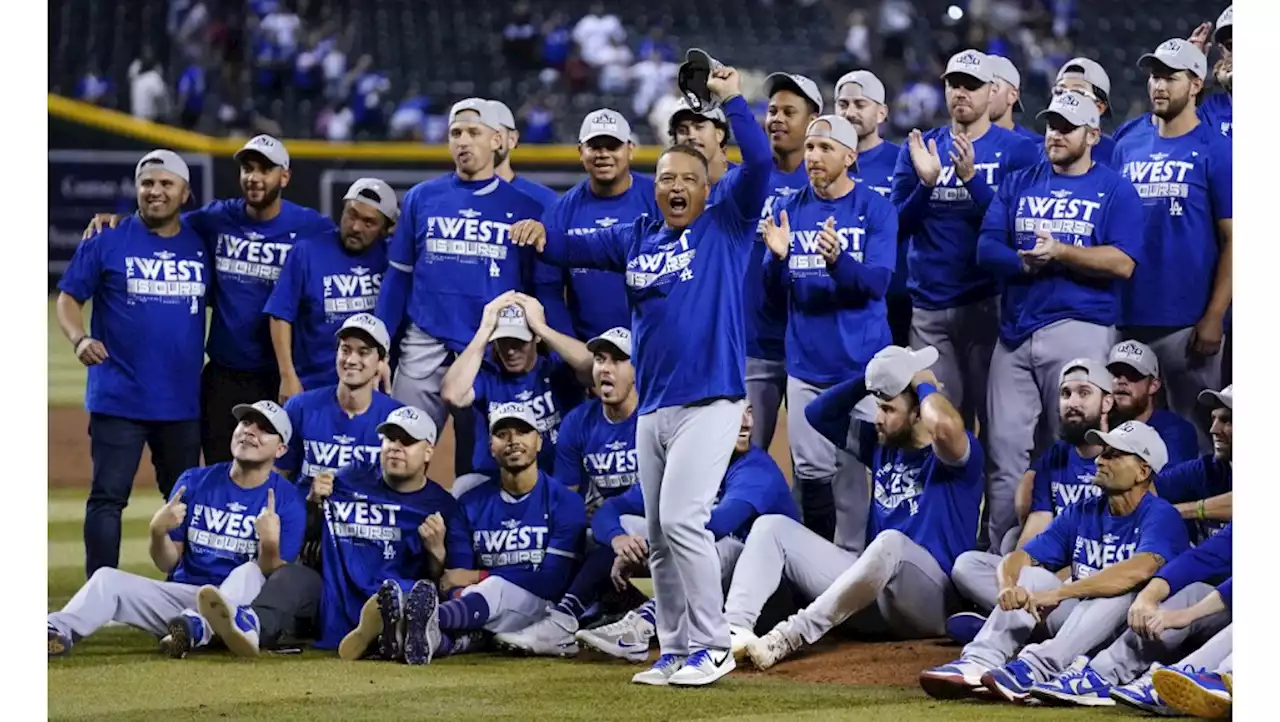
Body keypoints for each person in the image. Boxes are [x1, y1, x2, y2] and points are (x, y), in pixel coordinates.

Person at [508, 62, 771, 687]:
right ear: (655, 188)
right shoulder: (640, 235)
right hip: (653, 407)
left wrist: (732, 101)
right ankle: (676, 647)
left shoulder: (726, 228)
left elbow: (757, 163)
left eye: (690, 179)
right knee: (657, 534)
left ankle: (712, 643)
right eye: (667, 179)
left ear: (709, 189)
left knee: (684, 520)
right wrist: (543, 234)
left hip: (711, 400)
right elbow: (575, 246)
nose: (676, 187)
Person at [725, 345, 984, 671]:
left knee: (891, 542)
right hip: (870, 598)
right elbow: (817, 414)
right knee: (771, 527)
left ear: (918, 413)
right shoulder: (881, 447)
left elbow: (946, 427)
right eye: (878, 407)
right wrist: (874, 377)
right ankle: (732, 631)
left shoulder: (957, 457)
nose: (878, 418)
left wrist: (921, 382)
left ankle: (792, 635)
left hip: (930, 604)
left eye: (888, 409)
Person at [494, 405, 798, 659]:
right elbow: (609, 511)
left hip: (768, 601)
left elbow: (713, 527)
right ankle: (563, 620)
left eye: (749, 412)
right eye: (735, 412)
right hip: (712, 595)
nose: (745, 422)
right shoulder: (695, 465)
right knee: (617, 531)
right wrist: (619, 541)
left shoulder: (756, 469)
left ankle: (641, 623)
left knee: (717, 546)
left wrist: (649, 546)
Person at [976, 90, 1144, 551]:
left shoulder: (1114, 188)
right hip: (1014, 333)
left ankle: (1070, 561)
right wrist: (1024, 262)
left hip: (1080, 326)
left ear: (1093, 134)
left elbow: (1124, 262)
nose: (1054, 133)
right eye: (1051, 124)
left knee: (1076, 451)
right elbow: (986, 248)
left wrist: (1062, 252)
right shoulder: (1019, 181)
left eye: (1067, 127)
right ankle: (1001, 562)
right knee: (1004, 453)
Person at [920, 420, 1190, 704]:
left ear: (1142, 471)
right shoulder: (1083, 510)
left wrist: (1060, 592)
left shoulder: (1161, 515)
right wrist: (1007, 586)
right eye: (1103, 452)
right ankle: (978, 661)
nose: (1099, 459)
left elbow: (1138, 570)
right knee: (1033, 578)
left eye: (1113, 454)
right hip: (1078, 622)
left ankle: (1038, 667)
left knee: (1123, 590)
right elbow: (1021, 557)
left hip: (1132, 633)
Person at [47, 401, 306, 658]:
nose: (250, 431)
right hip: (183, 600)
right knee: (107, 579)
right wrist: (157, 531)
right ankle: (55, 631)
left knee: (249, 572)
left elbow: (273, 577)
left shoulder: (288, 500)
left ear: (280, 449)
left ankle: (197, 628)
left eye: (264, 429)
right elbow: (168, 563)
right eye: (246, 422)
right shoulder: (194, 481)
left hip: (238, 609)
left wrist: (269, 543)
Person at [373, 99, 548, 477]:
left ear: (497, 140)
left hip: (490, 350)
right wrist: (380, 346)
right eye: (456, 133)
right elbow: (399, 276)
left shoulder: (527, 206)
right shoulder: (422, 197)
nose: (463, 141)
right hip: (424, 339)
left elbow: (539, 289)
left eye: (473, 132)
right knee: (400, 449)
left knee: (488, 463)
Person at [56, 149, 209, 578]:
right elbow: (68, 298)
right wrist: (79, 337)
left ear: (185, 192)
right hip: (118, 397)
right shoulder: (107, 240)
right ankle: (97, 597)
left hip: (181, 402)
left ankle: (185, 590)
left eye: (166, 183)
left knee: (182, 503)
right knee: (107, 498)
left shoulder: (202, 243)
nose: (155, 191)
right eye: (147, 183)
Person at [759, 114, 897, 550]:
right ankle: (814, 569)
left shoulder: (875, 208)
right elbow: (770, 293)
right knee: (812, 475)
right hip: (806, 367)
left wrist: (839, 261)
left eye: (825, 148)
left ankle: (855, 574)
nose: (814, 156)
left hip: (861, 370)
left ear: (850, 156)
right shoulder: (789, 209)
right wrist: (777, 260)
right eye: (811, 148)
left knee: (858, 476)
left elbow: (877, 284)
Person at [890, 50, 1039, 452]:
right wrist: (925, 185)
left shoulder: (1018, 150)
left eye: (970, 85)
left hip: (988, 303)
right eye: (954, 84)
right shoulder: (921, 147)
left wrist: (972, 180)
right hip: (930, 308)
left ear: (992, 91)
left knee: (995, 428)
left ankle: (993, 518)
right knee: (940, 427)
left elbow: (1018, 229)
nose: (960, 93)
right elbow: (897, 227)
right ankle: (951, 516)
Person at [1114, 39, 1232, 453]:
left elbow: (1236, 239)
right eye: (1153, 76)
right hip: (1126, 317)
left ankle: (1199, 519)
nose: (1158, 85)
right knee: (1128, 439)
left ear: (1196, 83)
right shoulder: (1127, 141)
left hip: (1187, 322)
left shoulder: (1218, 150)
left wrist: (1215, 314)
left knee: (1199, 439)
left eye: (1169, 76)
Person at [948, 358, 1113, 642]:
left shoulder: (1120, 456)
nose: (1072, 402)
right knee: (967, 565)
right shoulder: (1056, 456)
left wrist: (1046, 582)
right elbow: (1038, 523)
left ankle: (1008, 625)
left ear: (1107, 402)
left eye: (1084, 393)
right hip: (1049, 572)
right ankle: (1028, 623)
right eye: (1066, 394)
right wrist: (1017, 578)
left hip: (1092, 574)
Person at [406, 405, 588, 662]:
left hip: (546, 611)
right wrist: (467, 590)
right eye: (502, 434)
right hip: (482, 607)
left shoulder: (565, 501)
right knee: (475, 600)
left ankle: (419, 620)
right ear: (491, 446)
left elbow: (552, 580)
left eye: (523, 432)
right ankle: (428, 639)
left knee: (493, 587)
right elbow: (454, 579)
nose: (513, 441)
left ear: (539, 441)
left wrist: (480, 576)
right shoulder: (469, 504)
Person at [308, 407, 475, 664]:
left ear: (429, 451)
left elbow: (447, 583)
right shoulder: (348, 479)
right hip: (342, 606)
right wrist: (312, 502)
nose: (395, 447)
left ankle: (391, 633)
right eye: (389, 438)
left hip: (403, 604)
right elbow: (305, 532)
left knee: (408, 593)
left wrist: (437, 556)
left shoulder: (444, 508)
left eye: (407, 441)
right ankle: (387, 633)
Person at [1027, 525, 1231, 710]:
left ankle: (1201, 678)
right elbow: (1203, 557)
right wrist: (1148, 596)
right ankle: (1102, 674)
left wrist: (1188, 614)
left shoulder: (1156, 513)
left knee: (1191, 594)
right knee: (1187, 592)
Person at [743, 73, 824, 458]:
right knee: (744, 453)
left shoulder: (832, 184)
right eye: (772, 110)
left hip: (811, 344)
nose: (776, 118)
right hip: (756, 339)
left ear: (813, 120)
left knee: (813, 465)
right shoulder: (747, 178)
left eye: (789, 112)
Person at [264, 178, 396, 398]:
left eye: (369, 222)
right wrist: (287, 376)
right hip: (314, 387)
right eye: (351, 214)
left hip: (373, 390)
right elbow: (280, 314)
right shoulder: (307, 252)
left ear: (386, 229)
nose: (355, 227)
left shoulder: (394, 260)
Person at [441, 292, 590, 481]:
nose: (510, 351)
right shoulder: (488, 375)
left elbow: (592, 367)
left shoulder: (555, 368)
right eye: (503, 342)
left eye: (519, 342)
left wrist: (541, 328)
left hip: (558, 479)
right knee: (465, 485)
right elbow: (452, 394)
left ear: (535, 338)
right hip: (498, 481)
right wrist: (485, 329)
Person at [543, 111, 659, 341]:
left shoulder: (658, 199)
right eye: (595, 147)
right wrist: (573, 353)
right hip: (588, 350)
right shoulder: (560, 211)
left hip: (653, 348)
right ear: (580, 152)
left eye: (612, 146)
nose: (603, 154)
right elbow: (548, 289)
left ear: (630, 150)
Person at [275, 314, 404, 495]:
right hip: (307, 517)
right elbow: (279, 477)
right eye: (345, 350)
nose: (351, 360)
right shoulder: (299, 408)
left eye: (363, 352)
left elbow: (405, 492)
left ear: (381, 362)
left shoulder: (397, 418)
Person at [834, 70, 907, 345]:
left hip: (895, 294)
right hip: (837, 294)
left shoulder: (902, 160)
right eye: (843, 104)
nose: (850, 112)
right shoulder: (821, 162)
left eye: (860, 104)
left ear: (881, 112)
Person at [551, 327, 639, 512]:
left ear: (637, 370)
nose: (605, 368)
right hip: (601, 527)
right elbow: (565, 497)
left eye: (617, 360)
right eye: (599, 360)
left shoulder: (655, 418)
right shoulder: (577, 422)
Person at [1152, 385, 1232, 544]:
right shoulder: (1208, 469)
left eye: (1227, 420)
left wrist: (1180, 511)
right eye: (1213, 418)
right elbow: (1146, 490)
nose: (1213, 429)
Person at [1105, 339, 1199, 463]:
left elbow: (1171, 481)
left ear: (1153, 386)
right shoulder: (1099, 424)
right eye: (1116, 374)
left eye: (1133, 375)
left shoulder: (1176, 432)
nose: (1122, 381)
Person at [1053, 58, 1119, 167]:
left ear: (1099, 108)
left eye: (1078, 92)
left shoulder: (1117, 155)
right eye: (1060, 92)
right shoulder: (1036, 154)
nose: (1067, 98)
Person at [986, 55, 1040, 141]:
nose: (982, 92)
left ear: (1012, 95)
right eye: (975, 86)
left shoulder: (1035, 145)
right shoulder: (959, 142)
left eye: (993, 86)